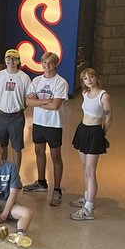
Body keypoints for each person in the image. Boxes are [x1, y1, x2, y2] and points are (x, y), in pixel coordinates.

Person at [23, 52, 69, 207]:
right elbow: (28, 102)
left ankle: (57, 189)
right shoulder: (36, 80)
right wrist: (45, 100)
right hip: (39, 122)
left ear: (55, 64)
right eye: (44, 62)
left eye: (50, 62)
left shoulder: (61, 83)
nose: (47, 65)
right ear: (41, 63)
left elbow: (55, 106)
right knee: (38, 152)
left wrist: (37, 101)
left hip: (54, 125)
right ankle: (41, 183)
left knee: (56, 156)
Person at [70, 67, 110, 221]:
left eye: (91, 77)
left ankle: (89, 208)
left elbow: (109, 118)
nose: (89, 80)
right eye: (86, 78)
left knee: (90, 170)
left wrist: (102, 134)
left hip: (95, 132)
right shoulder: (85, 93)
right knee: (84, 168)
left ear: (96, 78)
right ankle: (86, 196)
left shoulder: (104, 96)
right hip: (83, 130)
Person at [0, 48, 31, 171]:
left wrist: (20, 107)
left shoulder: (24, 78)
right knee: (1, 145)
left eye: (14, 59)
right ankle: (2, 171)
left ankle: (15, 174)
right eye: (8, 58)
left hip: (17, 117)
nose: (11, 61)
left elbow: (28, 98)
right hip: (1, 115)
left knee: (17, 147)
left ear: (18, 61)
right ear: (5, 60)